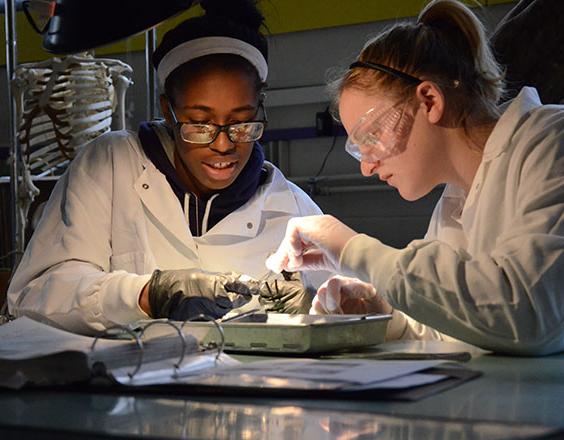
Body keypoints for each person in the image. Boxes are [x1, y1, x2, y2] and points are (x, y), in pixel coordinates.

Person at [7, 0, 327, 335]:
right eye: (200, 124)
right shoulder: (112, 166)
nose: (223, 144)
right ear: (168, 110)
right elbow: (33, 299)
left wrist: (320, 306)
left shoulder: (292, 208)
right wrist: (146, 296)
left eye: (242, 123)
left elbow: (353, 309)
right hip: (127, 383)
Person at [266, 0, 564, 355]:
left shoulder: (549, 143)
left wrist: (352, 248)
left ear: (429, 100)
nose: (366, 166)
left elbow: (530, 313)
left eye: (372, 136)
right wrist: (386, 314)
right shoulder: (456, 200)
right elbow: (466, 324)